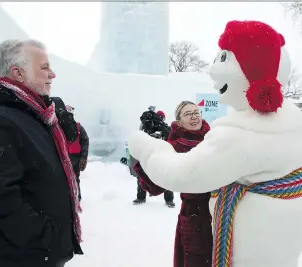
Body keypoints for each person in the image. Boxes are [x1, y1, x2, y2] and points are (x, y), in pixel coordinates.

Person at [128, 20, 302, 267]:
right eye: (188, 114)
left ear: (250, 67)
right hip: (272, 245)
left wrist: (146, 147)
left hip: (245, 252)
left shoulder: (238, 135)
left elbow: (180, 173)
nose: (211, 70)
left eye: (223, 58)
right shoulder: (292, 123)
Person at [0, 39, 83, 267]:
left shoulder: (33, 116)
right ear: (17, 73)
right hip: (22, 257)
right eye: (44, 67)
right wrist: (46, 238)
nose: (52, 74)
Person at [134, 101, 212, 266]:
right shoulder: (173, 147)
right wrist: (146, 161)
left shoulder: (213, 141)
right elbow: (154, 187)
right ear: (179, 121)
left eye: (196, 112)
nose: (194, 116)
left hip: (223, 211)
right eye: (188, 114)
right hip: (195, 216)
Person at [133, 109, 175, 207]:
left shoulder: (145, 126)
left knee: (141, 176)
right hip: (161, 156)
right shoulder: (163, 127)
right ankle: (169, 200)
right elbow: (170, 138)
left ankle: (141, 197)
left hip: (147, 156)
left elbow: (138, 138)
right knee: (166, 177)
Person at [65, 105, 89, 201]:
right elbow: (85, 142)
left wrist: (83, 158)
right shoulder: (78, 127)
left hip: (71, 158)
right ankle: (74, 197)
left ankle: (76, 197)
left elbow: (85, 142)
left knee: (72, 178)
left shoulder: (78, 128)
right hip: (68, 157)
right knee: (72, 179)